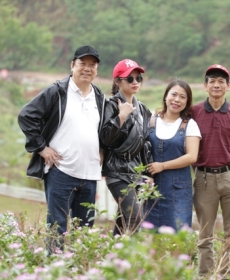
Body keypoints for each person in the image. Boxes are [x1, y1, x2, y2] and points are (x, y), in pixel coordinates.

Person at [18, 45, 105, 251]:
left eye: (92, 65)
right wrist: (41, 147)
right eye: (82, 63)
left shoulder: (99, 97)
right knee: (57, 227)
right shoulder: (57, 91)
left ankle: (79, 270)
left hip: (90, 174)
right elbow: (26, 116)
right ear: (72, 65)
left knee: (84, 231)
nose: (87, 68)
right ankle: (53, 271)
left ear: (97, 70)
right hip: (61, 171)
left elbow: (102, 128)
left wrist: (102, 148)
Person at [192, 64, 230, 278]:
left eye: (221, 81)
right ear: (205, 85)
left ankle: (227, 275)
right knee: (205, 234)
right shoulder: (194, 112)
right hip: (204, 178)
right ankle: (205, 275)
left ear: (228, 86)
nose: (216, 85)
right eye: (212, 81)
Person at [99, 59, 152, 236]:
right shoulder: (111, 105)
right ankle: (134, 262)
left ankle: (111, 257)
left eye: (138, 78)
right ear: (117, 81)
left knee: (122, 225)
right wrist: (121, 118)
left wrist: (150, 174)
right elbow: (105, 139)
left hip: (136, 174)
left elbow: (144, 144)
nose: (135, 82)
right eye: (129, 79)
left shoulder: (143, 109)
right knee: (135, 219)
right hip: (117, 173)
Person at [145, 79, 201, 231]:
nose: (177, 100)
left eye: (183, 97)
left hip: (178, 191)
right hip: (150, 189)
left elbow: (192, 157)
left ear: (187, 102)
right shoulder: (150, 121)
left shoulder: (190, 125)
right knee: (149, 235)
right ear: (165, 97)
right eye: (174, 94)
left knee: (178, 236)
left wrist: (162, 166)